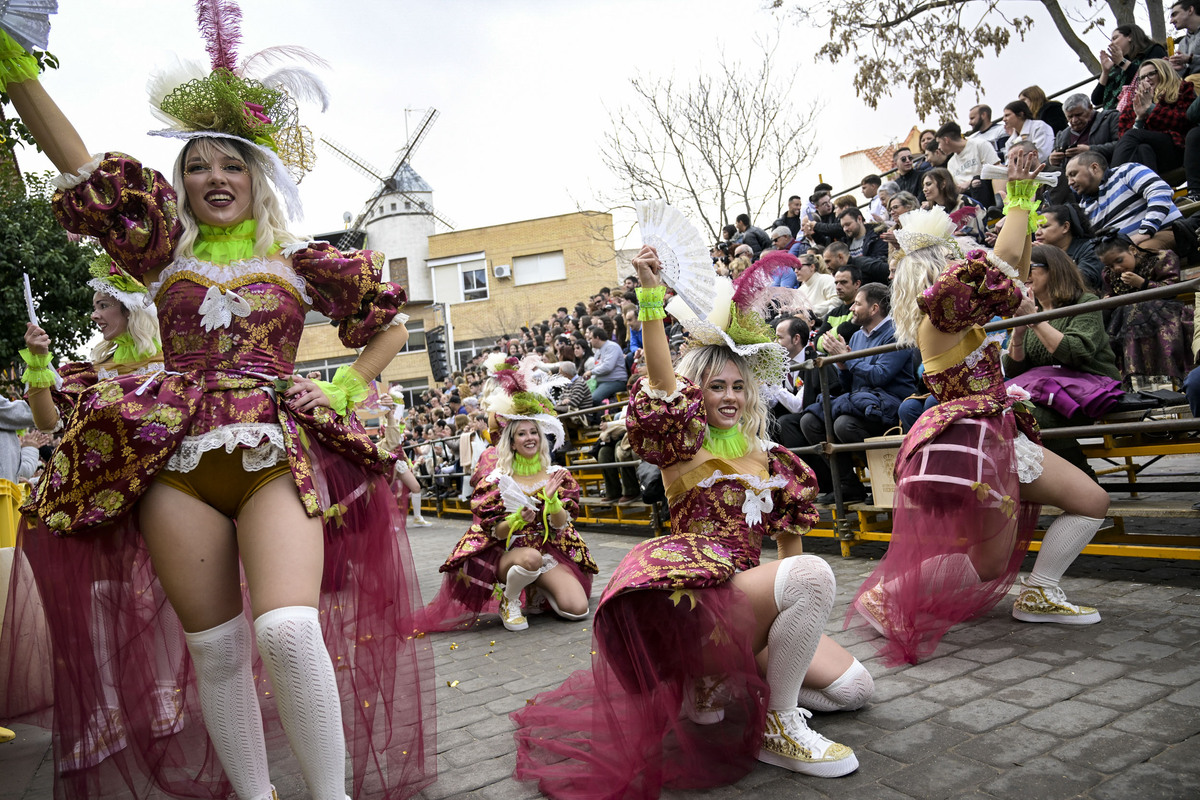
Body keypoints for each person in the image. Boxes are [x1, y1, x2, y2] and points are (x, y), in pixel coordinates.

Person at [0, 23, 434, 800]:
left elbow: (391, 325)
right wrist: (17, 65)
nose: (213, 175)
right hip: (179, 468)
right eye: (196, 165)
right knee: (219, 650)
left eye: (231, 161)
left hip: (274, 458)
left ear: (257, 177)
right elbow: (82, 170)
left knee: (288, 631)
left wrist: (343, 385)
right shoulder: (164, 255)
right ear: (182, 183)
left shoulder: (302, 262)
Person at [511, 246, 871, 799]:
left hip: (745, 606)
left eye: (738, 386)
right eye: (716, 386)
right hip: (696, 607)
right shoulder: (682, 441)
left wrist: (789, 622)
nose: (729, 396)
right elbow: (660, 383)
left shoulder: (776, 462)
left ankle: (735, 689)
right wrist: (651, 298)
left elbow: (791, 556)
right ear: (695, 393)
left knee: (855, 688)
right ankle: (773, 723)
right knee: (815, 577)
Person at [849, 151, 1110, 666]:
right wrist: (1017, 196)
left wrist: (1023, 209)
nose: (970, 266)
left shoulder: (952, 317)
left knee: (1090, 500)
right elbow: (1003, 263)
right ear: (942, 273)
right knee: (990, 563)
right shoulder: (939, 318)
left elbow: (1010, 267)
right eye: (957, 260)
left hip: (999, 432)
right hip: (975, 439)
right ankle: (885, 594)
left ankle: (1041, 590)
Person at [417, 361, 596, 632]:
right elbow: (496, 533)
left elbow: (561, 525)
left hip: (546, 552)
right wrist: (516, 519)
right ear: (511, 441)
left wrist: (552, 501)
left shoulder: (556, 474)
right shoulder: (497, 479)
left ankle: (536, 590)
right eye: (521, 433)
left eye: (533, 432)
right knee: (530, 559)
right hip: (508, 556)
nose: (529, 438)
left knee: (577, 610)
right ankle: (509, 599)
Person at [1003, 245, 1123, 476]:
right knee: (1005, 413)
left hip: (1087, 390)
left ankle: (1084, 484)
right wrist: (1018, 335)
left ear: (1054, 269)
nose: (1022, 276)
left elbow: (1075, 352)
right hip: (1049, 394)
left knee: (1030, 416)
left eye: (1030, 268)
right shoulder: (1032, 309)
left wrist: (1035, 320)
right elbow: (1015, 370)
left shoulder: (1085, 303)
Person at [797, 283, 917, 502]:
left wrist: (848, 359)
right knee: (809, 421)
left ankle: (887, 479)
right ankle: (847, 484)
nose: (851, 308)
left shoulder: (898, 333)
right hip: (860, 403)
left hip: (890, 405)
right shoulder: (857, 337)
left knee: (843, 424)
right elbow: (850, 384)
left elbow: (880, 375)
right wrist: (842, 366)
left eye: (857, 304)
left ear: (874, 308)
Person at [1095, 233, 1195, 391]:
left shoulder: (1162, 258)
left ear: (1132, 250)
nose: (1117, 268)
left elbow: (1171, 289)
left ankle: (1171, 383)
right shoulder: (1109, 275)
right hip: (1125, 320)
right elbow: (1111, 297)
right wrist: (1107, 299)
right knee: (1124, 312)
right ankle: (1133, 384)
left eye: (1119, 261)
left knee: (1139, 309)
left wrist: (1142, 283)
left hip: (1165, 313)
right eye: (1110, 266)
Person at [1066, 151, 1181, 250]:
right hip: (1124, 252)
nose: (1070, 182)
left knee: (1135, 257)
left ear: (1094, 168)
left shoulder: (1126, 172)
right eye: (1068, 178)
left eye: (1073, 174)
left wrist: (1146, 231)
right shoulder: (1084, 207)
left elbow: (1160, 191)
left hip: (1163, 232)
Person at [1111, 59, 1196, 180]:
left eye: (1151, 74)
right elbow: (1124, 140)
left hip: (1178, 149)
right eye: (1142, 77)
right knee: (1142, 149)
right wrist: (1139, 119)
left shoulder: (1182, 90)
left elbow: (1184, 121)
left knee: (1133, 136)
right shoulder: (1132, 105)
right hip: (1151, 158)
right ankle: (1152, 193)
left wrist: (1150, 108)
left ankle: (1114, 182)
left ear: (1163, 72)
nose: (1147, 79)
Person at [1092, 23, 1168, 110]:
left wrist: (1122, 62)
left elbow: (1149, 77)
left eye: (1115, 38)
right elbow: (1096, 100)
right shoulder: (1115, 67)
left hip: (1140, 109)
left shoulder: (1153, 50)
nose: (1111, 44)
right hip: (1112, 117)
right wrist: (1105, 72)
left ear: (1130, 37)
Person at [1036, 203, 1104, 290]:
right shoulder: (1041, 254)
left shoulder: (1090, 248)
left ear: (1065, 227)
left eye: (1044, 227)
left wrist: (1052, 257)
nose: (1038, 232)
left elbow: (1084, 281)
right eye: (1037, 227)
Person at [922, 167, 987, 244]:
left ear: (943, 184)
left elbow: (976, 237)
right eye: (923, 186)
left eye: (928, 184)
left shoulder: (967, 204)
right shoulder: (931, 210)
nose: (924, 189)